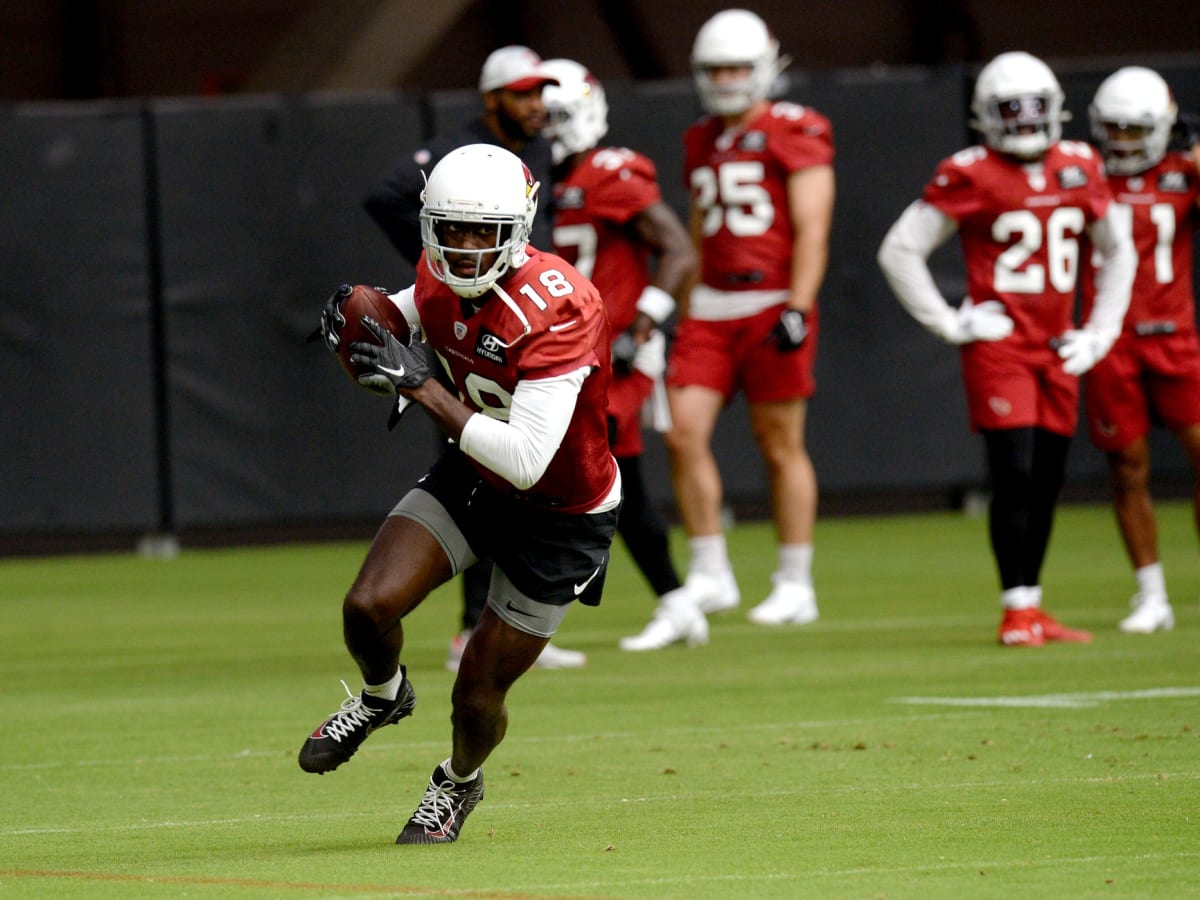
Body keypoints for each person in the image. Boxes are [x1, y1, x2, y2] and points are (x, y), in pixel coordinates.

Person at [300, 144, 620, 845]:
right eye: (452, 230)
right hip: (478, 476)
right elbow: (411, 315)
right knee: (367, 606)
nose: (467, 248)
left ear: (520, 229)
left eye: (484, 232)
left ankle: (458, 782)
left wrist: (420, 385)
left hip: (560, 511)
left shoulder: (560, 306)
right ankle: (384, 698)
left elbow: (529, 459)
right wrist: (366, 322)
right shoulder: (438, 273)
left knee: (476, 692)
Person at [877, 50, 1137, 646]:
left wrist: (1100, 330)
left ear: (1054, 109)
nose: (1023, 121)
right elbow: (899, 249)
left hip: (1059, 344)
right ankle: (1014, 610)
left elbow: (1118, 248)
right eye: (1010, 110)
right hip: (1002, 348)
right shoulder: (971, 171)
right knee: (1015, 471)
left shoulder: (1079, 163)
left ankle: (1031, 603)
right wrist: (947, 322)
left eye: (1033, 109)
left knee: (1047, 476)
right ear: (987, 116)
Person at [364, 45, 585, 670]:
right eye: (521, 93)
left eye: (540, 92)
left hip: (533, 328)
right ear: (492, 98)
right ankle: (471, 626)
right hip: (476, 325)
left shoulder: (539, 158)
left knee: (538, 468)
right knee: (473, 464)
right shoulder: (455, 164)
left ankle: (506, 621)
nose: (535, 104)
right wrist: (457, 261)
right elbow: (387, 199)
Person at [664, 8, 834, 628]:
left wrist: (798, 305)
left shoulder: (798, 128)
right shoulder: (700, 138)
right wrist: (683, 307)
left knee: (779, 442)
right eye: (716, 69)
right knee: (682, 431)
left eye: (738, 66)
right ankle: (711, 570)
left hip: (770, 299)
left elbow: (813, 230)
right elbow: (696, 230)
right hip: (710, 302)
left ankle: (795, 581)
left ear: (764, 68)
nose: (728, 79)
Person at [538, 58, 706, 651]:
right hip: (574, 355)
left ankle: (531, 616)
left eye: (562, 115)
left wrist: (645, 325)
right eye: (546, 116)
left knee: (566, 479)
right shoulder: (557, 176)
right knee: (615, 485)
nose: (553, 127)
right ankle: (678, 602)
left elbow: (681, 251)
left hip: (611, 359)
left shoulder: (612, 170)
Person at [1081, 66, 1200, 633]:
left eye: (1134, 130)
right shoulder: (1083, 174)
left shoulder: (1185, 172)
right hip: (1111, 339)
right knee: (1128, 469)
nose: (1123, 141)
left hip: (1175, 336)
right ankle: (1151, 594)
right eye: (1115, 129)